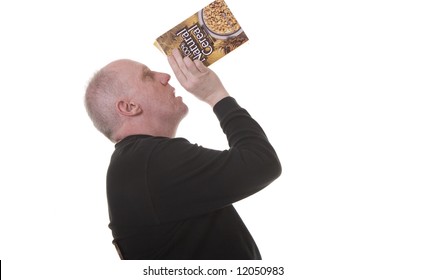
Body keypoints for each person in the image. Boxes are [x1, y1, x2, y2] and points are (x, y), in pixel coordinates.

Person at [84, 49, 282, 260]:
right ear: (129, 107)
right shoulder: (149, 160)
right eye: (148, 75)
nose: (165, 76)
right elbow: (261, 162)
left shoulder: (135, 163)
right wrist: (216, 95)